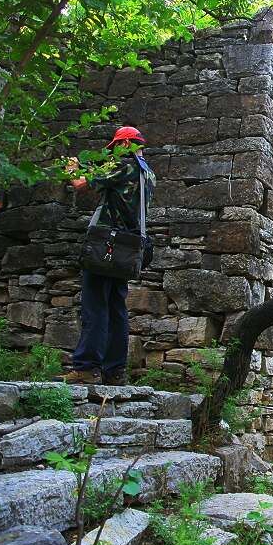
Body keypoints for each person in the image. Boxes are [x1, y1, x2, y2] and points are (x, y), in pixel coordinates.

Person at [57, 126, 156, 385]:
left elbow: (79, 183)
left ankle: (87, 367)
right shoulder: (148, 173)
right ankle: (115, 370)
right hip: (127, 249)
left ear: (125, 145)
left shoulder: (125, 166)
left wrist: (71, 166)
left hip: (106, 246)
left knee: (95, 306)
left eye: (115, 148)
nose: (112, 154)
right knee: (116, 307)